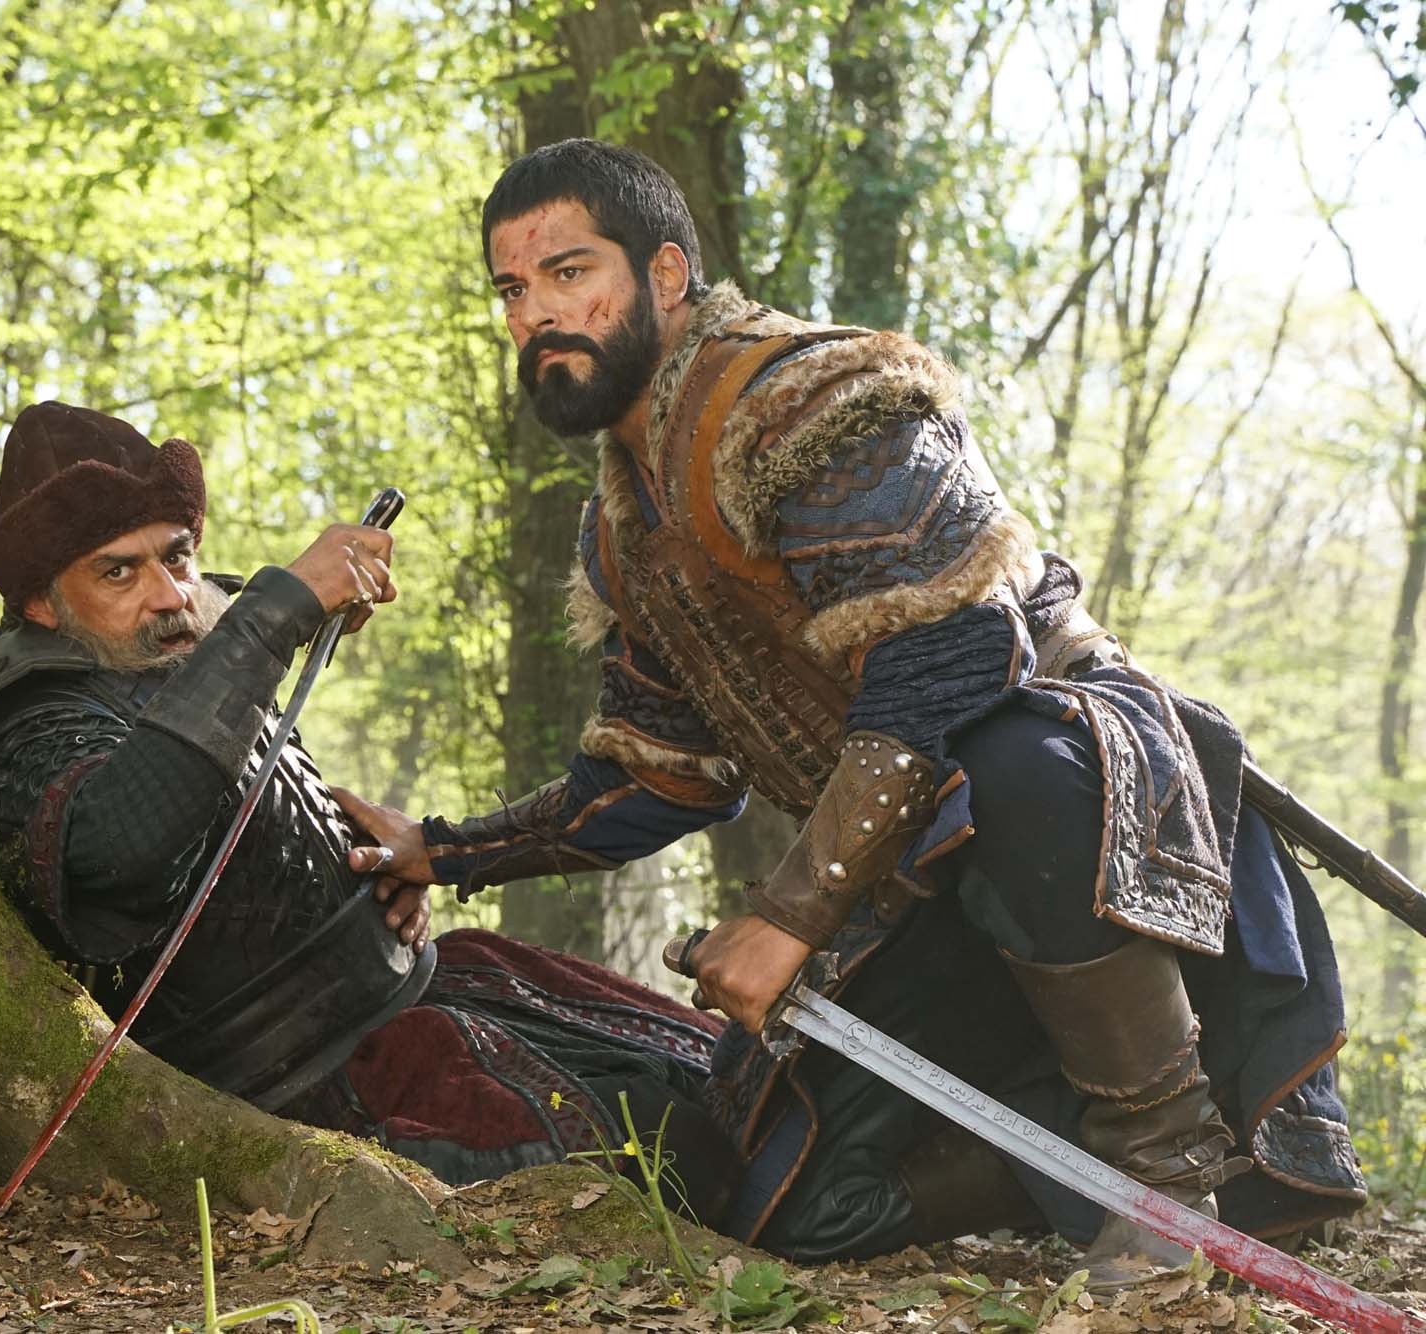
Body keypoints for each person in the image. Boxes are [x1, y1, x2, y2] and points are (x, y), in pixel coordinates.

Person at [339, 139, 1366, 1279]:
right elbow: (655, 777)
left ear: (665, 274)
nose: (535, 313)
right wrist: (441, 850)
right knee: (790, 1201)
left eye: (569, 272)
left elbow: (958, 653)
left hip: (1097, 829)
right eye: (511, 289)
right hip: (921, 881)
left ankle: (1168, 1178)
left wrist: (787, 916)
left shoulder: (814, 397)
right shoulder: (624, 530)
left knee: (1010, 758)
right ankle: (1087, 1170)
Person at [0, 400, 743, 1212]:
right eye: (118, 572)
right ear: (43, 604)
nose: (169, 594)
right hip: (308, 1085)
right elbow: (119, 848)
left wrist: (372, 873)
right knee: (669, 1156)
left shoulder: (174, 656)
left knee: (719, 1072)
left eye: (177, 557)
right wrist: (276, 613)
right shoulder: (27, 719)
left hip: (426, 994)